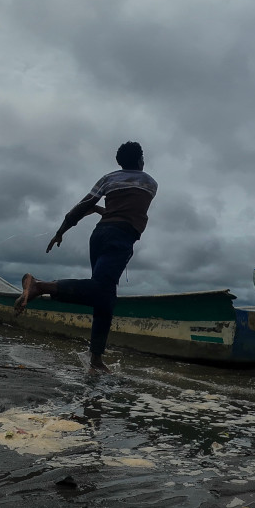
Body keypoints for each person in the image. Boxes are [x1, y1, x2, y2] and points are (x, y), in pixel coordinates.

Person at [14, 141, 157, 372]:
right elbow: (130, 211)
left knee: (105, 297)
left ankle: (95, 361)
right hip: (120, 237)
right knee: (102, 291)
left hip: (100, 235)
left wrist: (61, 231)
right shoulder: (150, 183)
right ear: (141, 160)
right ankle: (40, 286)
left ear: (119, 162)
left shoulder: (108, 179)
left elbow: (83, 205)